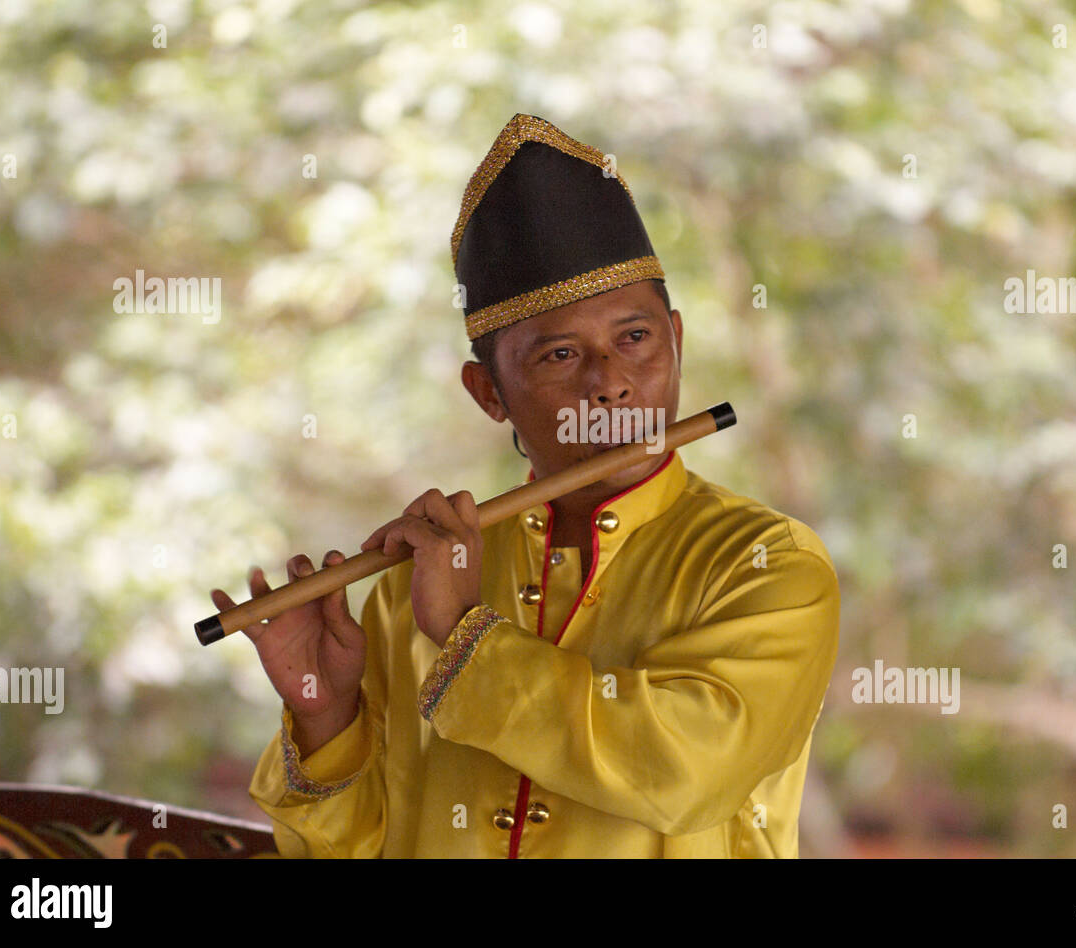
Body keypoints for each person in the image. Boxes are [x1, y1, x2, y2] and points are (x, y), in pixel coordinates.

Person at [215, 113, 840, 857]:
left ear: (677, 339)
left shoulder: (767, 564)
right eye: (560, 355)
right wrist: (324, 712)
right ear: (489, 394)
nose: (610, 384)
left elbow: (684, 771)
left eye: (635, 338)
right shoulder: (405, 589)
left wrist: (463, 638)